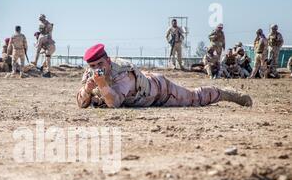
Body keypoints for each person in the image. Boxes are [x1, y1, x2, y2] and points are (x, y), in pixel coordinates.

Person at [76, 44, 252, 109]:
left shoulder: (122, 72)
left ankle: (224, 93)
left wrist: (102, 86)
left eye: (100, 64)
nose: (97, 68)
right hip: (142, 91)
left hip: (160, 90)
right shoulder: (91, 73)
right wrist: (87, 89)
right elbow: (80, 102)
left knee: (194, 98)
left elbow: (114, 103)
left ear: (108, 60)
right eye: (93, 66)